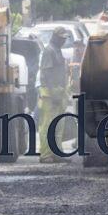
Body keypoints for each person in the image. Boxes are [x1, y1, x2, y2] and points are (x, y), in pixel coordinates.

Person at [37, 27, 70, 163]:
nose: (63, 40)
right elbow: (47, 74)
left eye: (64, 38)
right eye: (61, 38)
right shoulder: (49, 50)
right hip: (49, 94)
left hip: (59, 92)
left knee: (58, 125)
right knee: (47, 125)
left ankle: (56, 153)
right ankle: (45, 155)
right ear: (55, 37)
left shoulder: (57, 50)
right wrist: (54, 93)